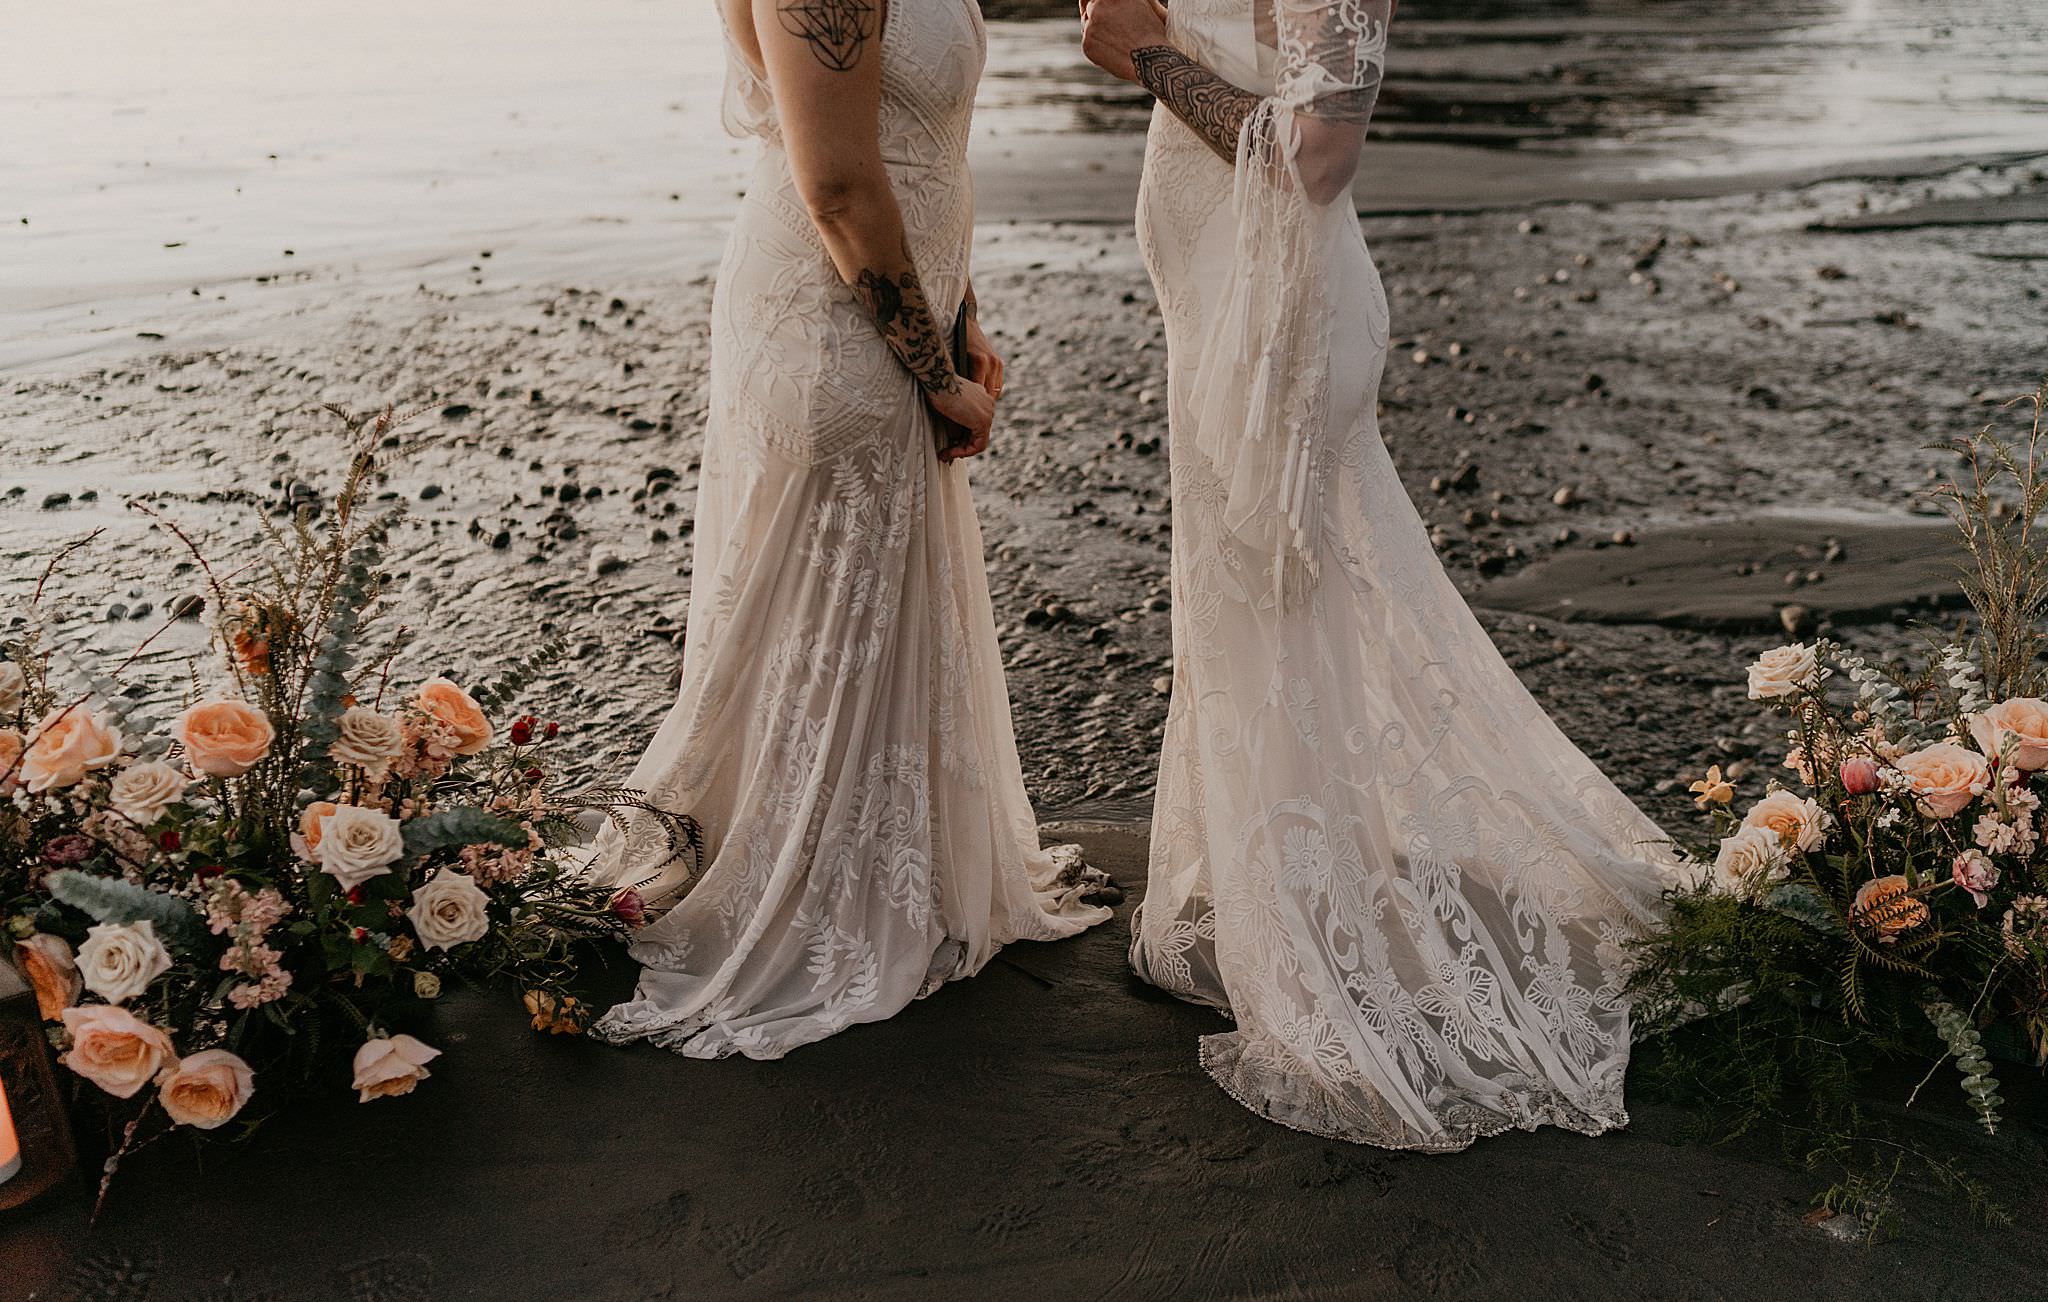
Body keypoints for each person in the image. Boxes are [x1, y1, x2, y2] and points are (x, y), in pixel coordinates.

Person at [1081, 0, 1680, 1149]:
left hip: (1280, 330)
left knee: (1284, 618)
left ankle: (1317, 935)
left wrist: (1144, 56)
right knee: (1249, 618)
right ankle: (1288, 887)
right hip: (1223, 313)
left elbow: (1317, 149)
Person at [584, 0, 1109, 1060]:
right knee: (823, 607)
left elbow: (919, 151)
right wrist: (934, 373)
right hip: (829, 327)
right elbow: (833, 181)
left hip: (889, 306)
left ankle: (881, 863)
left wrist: (960, 316)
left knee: (867, 604)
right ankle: (808, 883)